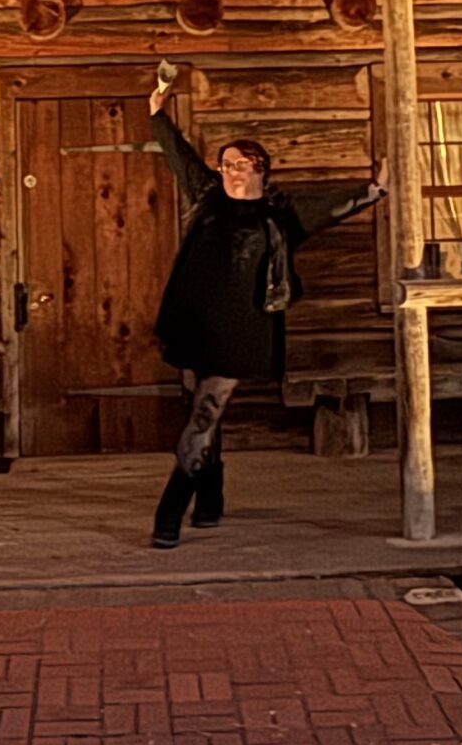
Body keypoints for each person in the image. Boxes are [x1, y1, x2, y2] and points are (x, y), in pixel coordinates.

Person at [146, 67, 385, 547]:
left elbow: (336, 206)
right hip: (195, 322)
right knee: (199, 409)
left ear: (260, 170)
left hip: (242, 329)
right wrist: (157, 109)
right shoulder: (205, 197)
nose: (232, 171)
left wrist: (375, 190)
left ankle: (170, 512)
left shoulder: (281, 215)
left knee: (205, 413)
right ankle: (210, 500)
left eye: (241, 164)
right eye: (227, 164)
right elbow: (177, 154)